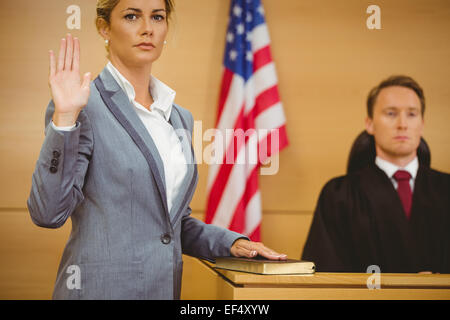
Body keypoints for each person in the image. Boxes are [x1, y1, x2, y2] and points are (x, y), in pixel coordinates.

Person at [27, 0, 286, 300]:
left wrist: (230, 243)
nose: (147, 29)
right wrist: (65, 120)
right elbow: (48, 213)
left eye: (158, 17)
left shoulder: (179, 117)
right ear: (104, 28)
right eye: (132, 16)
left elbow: (167, 224)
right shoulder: (82, 106)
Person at [302, 75, 450, 273]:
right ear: (369, 123)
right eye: (391, 113)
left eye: (412, 114)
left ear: (422, 124)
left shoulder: (446, 190)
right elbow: (324, 275)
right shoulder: (338, 195)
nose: (402, 124)